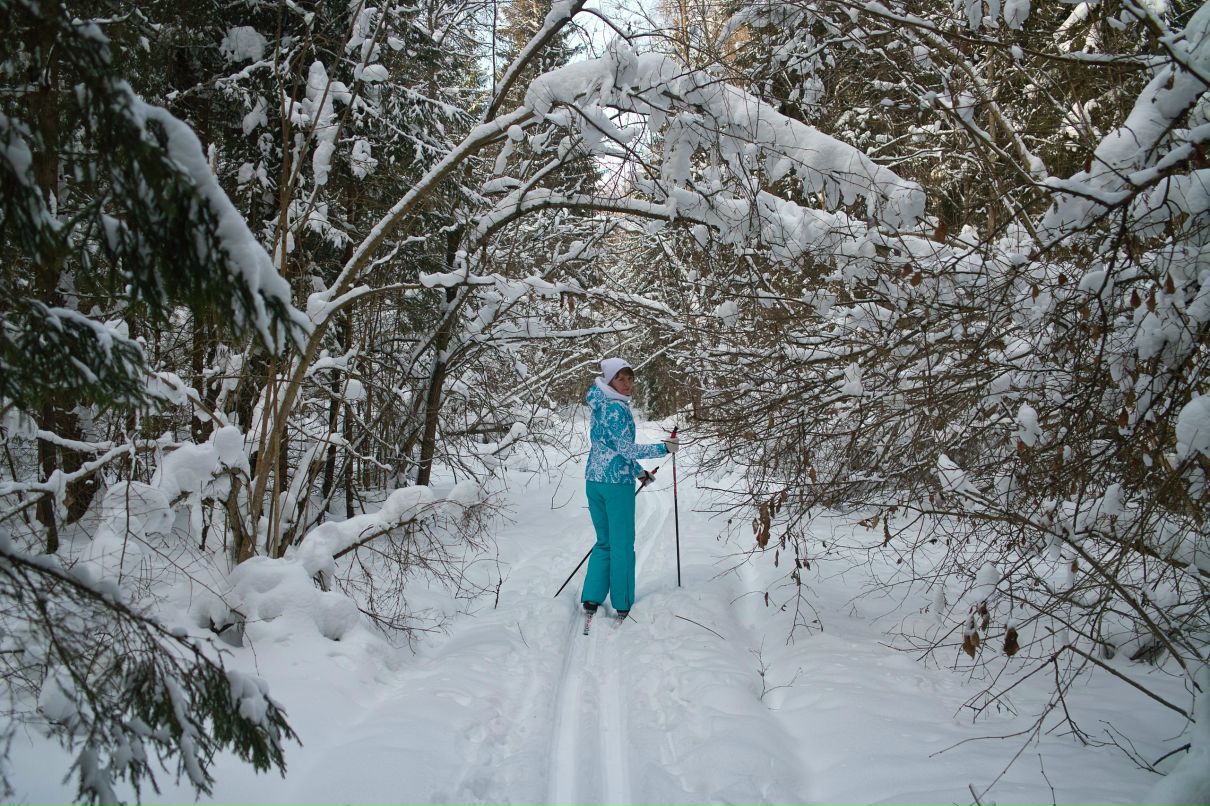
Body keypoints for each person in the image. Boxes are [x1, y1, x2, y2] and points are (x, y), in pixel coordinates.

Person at [582, 357, 679, 620]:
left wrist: (639, 473)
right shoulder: (617, 409)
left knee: (604, 542)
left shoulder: (600, 405)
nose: (627, 384)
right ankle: (622, 602)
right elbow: (626, 449)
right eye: (621, 379)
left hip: (594, 480)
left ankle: (592, 596)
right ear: (610, 381)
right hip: (615, 486)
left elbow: (613, 449)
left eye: (630, 378)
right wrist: (663, 447)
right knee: (622, 544)